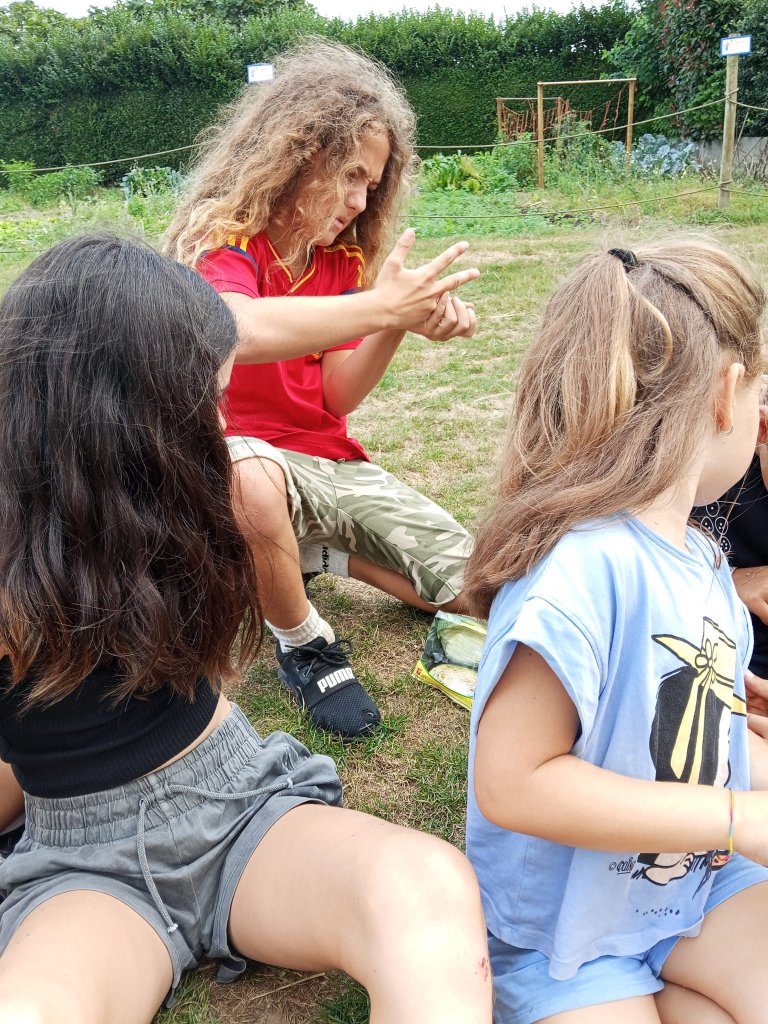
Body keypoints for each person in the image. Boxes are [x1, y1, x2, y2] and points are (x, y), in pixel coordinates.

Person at [0, 233, 493, 1023]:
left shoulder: (196, 500)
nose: (222, 421)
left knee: (424, 889)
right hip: (82, 866)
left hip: (237, 805)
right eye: (208, 402)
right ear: (117, 422)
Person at [462, 239, 768, 1024]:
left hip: (697, 882)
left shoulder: (704, 558)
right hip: (564, 930)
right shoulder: (581, 568)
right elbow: (514, 780)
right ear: (727, 394)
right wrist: (736, 819)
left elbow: (700, 745)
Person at [164, 38, 479, 738]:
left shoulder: (340, 262)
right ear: (298, 154)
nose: (360, 200)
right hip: (233, 472)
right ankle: (304, 642)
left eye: (373, 184)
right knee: (248, 476)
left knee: (477, 591)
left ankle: (316, 556)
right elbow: (236, 328)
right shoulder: (223, 240)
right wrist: (380, 308)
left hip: (326, 463)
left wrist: (397, 323)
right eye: (350, 175)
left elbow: (334, 400)